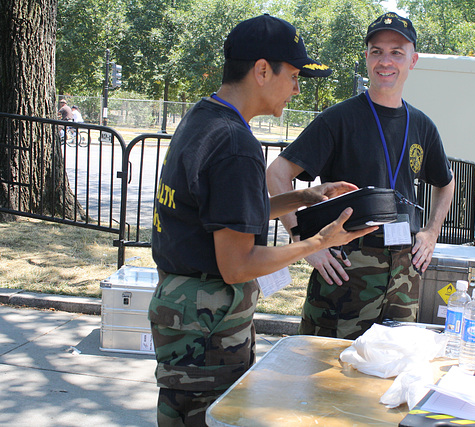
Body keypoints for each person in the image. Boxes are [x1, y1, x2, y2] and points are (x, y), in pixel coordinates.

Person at [148, 14, 377, 427]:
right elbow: (238, 265)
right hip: (208, 329)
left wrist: (306, 195)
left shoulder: (205, 119)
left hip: (184, 314)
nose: (296, 88)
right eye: (293, 75)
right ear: (262, 70)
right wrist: (317, 242)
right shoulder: (236, 144)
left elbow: (220, 212)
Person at [266, 12, 455, 340]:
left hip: (403, 277)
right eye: (377, 51)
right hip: (345, 271)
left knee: (389, 372)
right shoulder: (338, 119)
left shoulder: (422, 125)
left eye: (397, 52)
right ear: (366, 57)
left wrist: (431, 232)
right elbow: (278, 173)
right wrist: (304, 243)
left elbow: (446, 183)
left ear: (413, 60)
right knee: (328, 378)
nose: (386, 61)